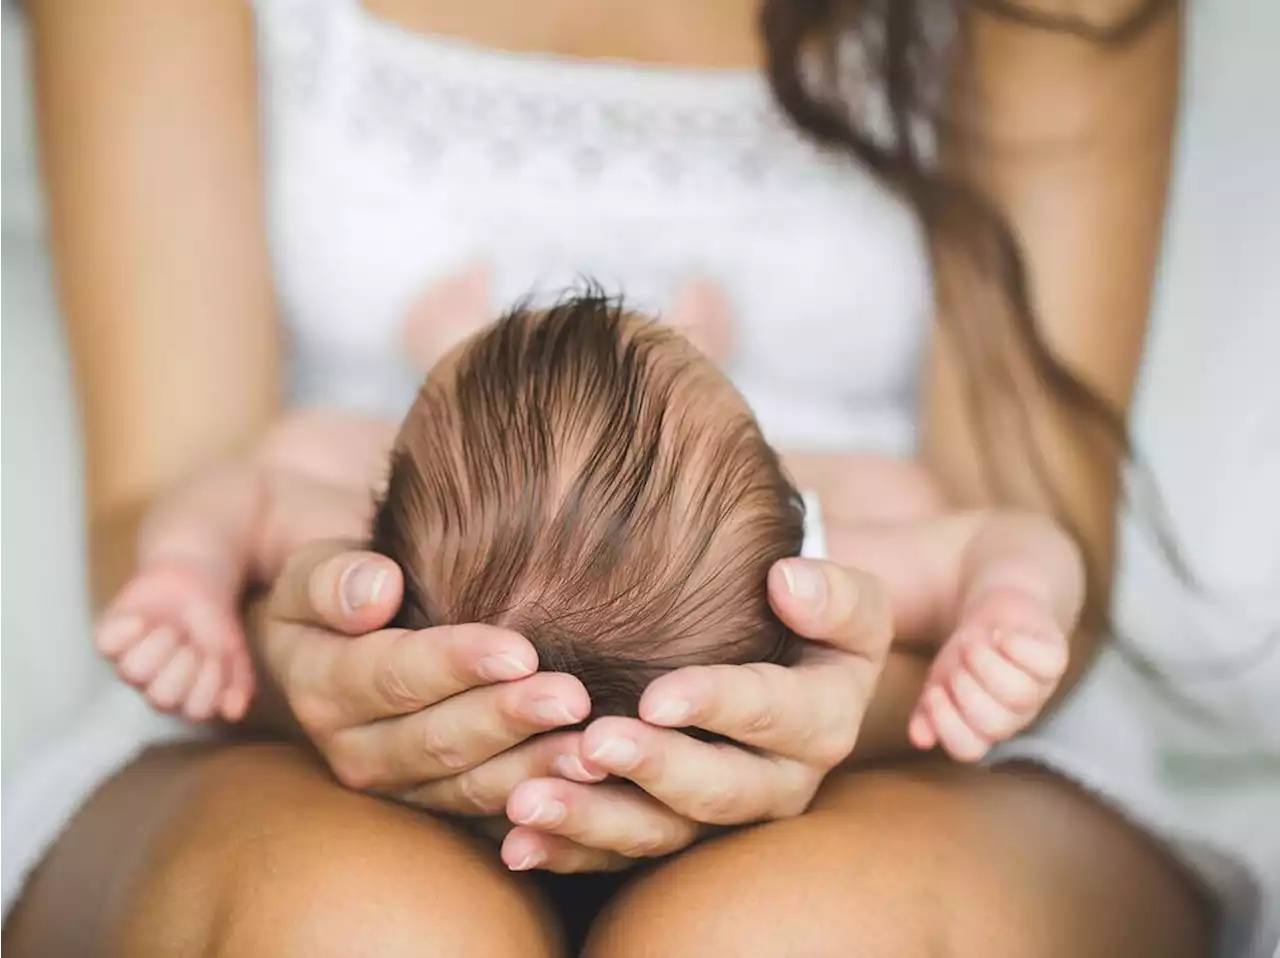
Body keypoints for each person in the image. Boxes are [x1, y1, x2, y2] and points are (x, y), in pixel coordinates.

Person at [4, 0, 1266, 955]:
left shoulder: (331, 483)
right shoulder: (842, 532)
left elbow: (1040, 541)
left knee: (780, 936)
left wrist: (881, 702)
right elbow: (1003, 557)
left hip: (883, 735)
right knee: (347, 923)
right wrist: (261, 656)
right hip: (310, 721)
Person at [95, 296, 1079, 758]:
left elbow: (242, 493)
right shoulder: (810, 568)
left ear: (376, 505)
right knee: (904, 493)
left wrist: (188, 573)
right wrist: (1007, 606)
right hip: (757, 496)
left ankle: (439, 346)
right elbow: (1004, 534)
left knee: (301, 436)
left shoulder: (368, 557)